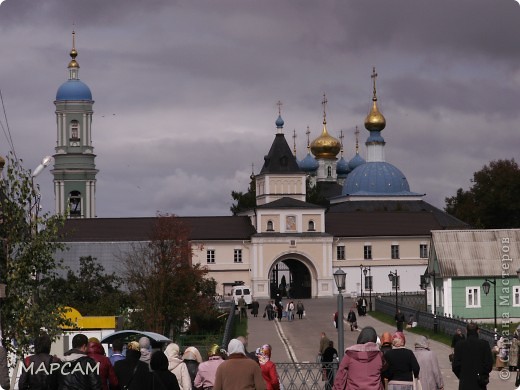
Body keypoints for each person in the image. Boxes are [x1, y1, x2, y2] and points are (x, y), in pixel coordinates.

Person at [452, 322, 493, 390]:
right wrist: (482, 374)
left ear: (466, 331)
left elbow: (455, 366)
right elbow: (489, 365)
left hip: (465, 383)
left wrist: (462, 375)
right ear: (478, 331)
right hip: (480, 383)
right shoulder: (484, 344)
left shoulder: (460, 345)